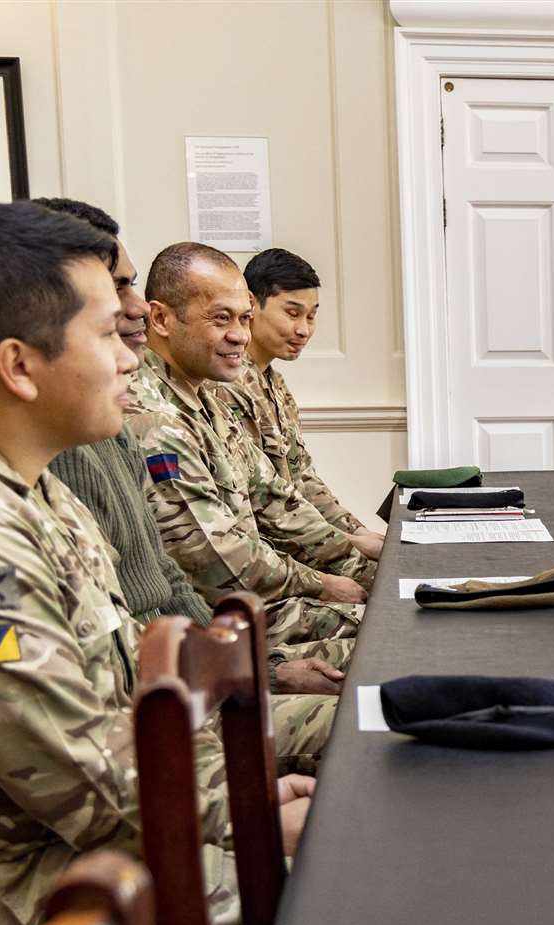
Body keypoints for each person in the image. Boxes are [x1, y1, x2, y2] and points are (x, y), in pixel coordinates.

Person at [0, 201, 311, 925]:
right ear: (19, 366)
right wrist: (260, 803)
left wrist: (262, 790)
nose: (134, 356)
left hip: (85, 846)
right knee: (337, 912)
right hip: (7, 908)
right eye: (108, 333)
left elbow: (115, 704)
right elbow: (84, 780)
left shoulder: (29, 484)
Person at [30, 200, 344, 772]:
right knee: (371, 712)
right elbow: (82, 729)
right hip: (182, 688)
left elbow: (168, 579)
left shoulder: (109, 428)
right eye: (114, 302)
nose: (134, 322)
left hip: (201, 656)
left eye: (242, 319)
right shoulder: (101, 433)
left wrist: (264, 667)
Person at [126, 243, 376, 627]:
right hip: (218, 618)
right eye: (221, 319)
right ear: (160, 319)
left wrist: (355, 550)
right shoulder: (154, 418)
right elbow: (212, 555)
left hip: (257, 592)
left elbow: (276, 497)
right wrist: (323, 583)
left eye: (244, 319)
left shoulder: (206, 395)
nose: (239, 335)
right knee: (381, 632)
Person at [218, 247, 382, 551]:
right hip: (270, 550)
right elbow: (264, 503)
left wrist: (359, 532)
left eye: (311, 316)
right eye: (292, 313)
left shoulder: (276, 384)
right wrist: (351, 546)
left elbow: (303, 478)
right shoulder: (226, 385)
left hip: (306, 539)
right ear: (251, 305)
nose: (304, 330)